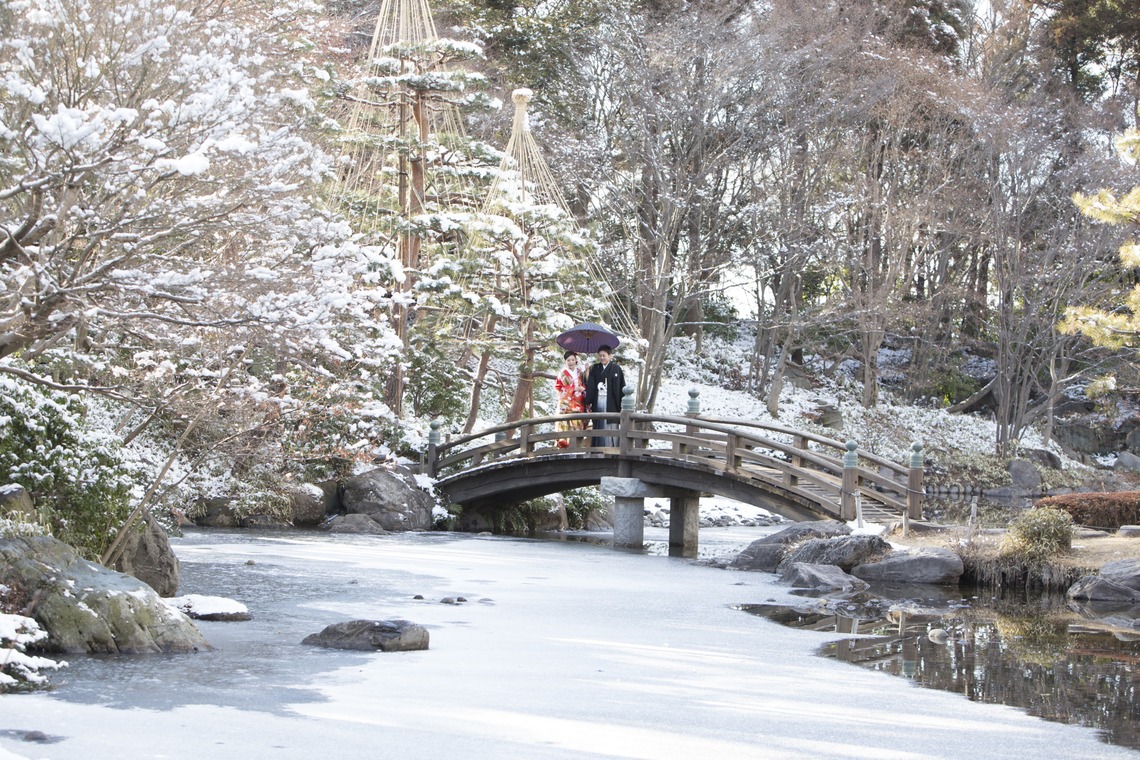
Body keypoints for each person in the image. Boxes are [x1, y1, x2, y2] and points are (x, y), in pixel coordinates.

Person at [584, 345, 625, 447]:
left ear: (610, 356)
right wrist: (587, 373)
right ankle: (598, 449)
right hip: (599, 402)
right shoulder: (594, 368)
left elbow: (621, 387)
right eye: (600, 356)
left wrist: (622, 405)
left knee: (611, 425)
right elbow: (590, 385)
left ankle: (612, 450)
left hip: (612, 403)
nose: (602, 358)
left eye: (604, 355)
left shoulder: (616, 369)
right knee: (599, 425)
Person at [553, 351, 586, 448]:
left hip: (579, 403)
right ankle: (563, 445)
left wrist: (583, 388)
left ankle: (578, 446)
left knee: (579, 426)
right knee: (564, 424)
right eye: (568, 360)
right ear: (565, 362)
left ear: (576, 361)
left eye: (573, 360)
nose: (571, 362)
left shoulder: (580, 373)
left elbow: (584, 384)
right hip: (567, 404)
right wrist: (572, 389)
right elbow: (560, 388)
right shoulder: (562, 374)